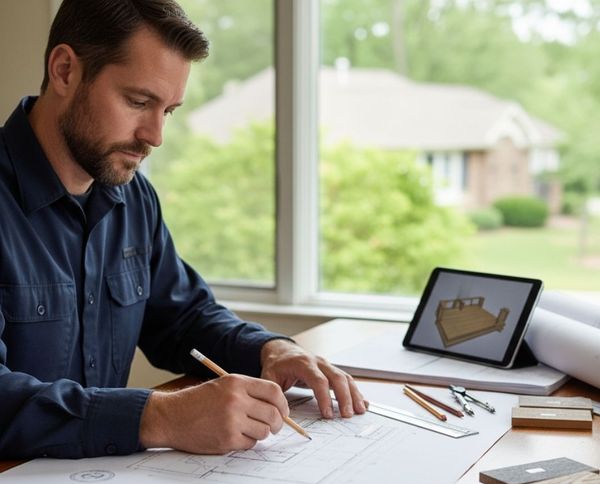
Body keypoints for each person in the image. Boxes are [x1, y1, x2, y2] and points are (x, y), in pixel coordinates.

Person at [0, 0, 366, 460]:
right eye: (138, 102)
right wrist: (160, 416)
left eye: (168, 111)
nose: (155, 136)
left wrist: (269, 350)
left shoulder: (133, 199)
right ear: (65, 70)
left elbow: (182, 318)